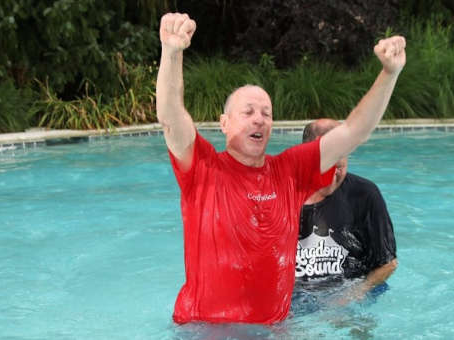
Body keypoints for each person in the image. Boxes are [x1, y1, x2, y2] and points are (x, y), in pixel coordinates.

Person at [156, 12, 406, 324]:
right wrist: (171, 51)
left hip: (275, 328)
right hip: (206, 329)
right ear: (223, 123)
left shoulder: (290, 171)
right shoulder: (202, 168)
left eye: (266, 113)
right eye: (247, 112)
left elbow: (354, 132)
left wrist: (389, 73)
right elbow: (171, 118)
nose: (259, 118)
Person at [294, 119, 397, 309]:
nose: (332, 176)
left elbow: (387, 263)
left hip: (352, 294)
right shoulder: (280, 192)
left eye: (339, 167)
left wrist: (350, 297)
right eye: (325, 166)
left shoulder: (365, 194)